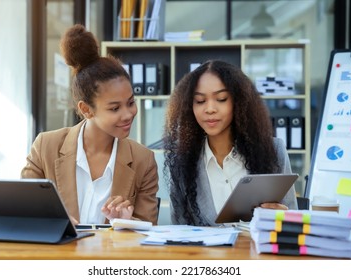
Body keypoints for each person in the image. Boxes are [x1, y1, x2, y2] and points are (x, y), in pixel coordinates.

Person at [21, 24, 159, 225]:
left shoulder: (143, 161)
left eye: (131, 102)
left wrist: (126, 224)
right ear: (86, 110)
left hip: (110, 256)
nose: (128, 114)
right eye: (114, 108)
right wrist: (50, 222)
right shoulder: (46, 147)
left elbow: (147, 232)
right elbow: (23, 212)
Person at [163, 60, 298, 226]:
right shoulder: (182, 162)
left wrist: (283, 218)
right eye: (200, 101)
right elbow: (179, 233)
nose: (210, 109)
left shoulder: (273, 150)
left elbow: (292, 220)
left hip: (257, 251)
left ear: (238, 102)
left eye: (221, 99)